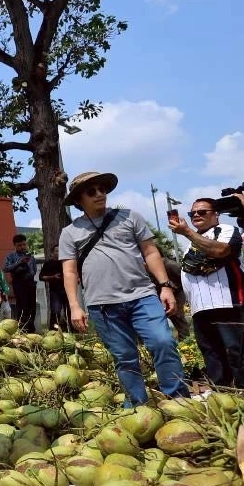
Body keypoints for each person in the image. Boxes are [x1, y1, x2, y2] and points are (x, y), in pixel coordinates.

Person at [58, 171, 189, 406]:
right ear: (79, 200)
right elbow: (69, 272)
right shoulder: (70, 232)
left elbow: (151, 252)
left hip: (143, 296)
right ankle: (137, 407)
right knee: (125, 357)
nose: (99, 194)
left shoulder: (129, 217)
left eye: (102, 189)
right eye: (91, 191)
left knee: (163, 342)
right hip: (102, 305)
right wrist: (75, 306)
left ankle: (178, 400)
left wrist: (165, 286)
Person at [168, 198, 244, 388]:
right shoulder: (192, 241)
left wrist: (187, 231)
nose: (196, 215)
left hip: (227, 302)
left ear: (216, 214)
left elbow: (222, 250)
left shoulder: (226, 230)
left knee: (235, 348)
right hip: (201, 306)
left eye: (202, 212)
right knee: (210, 350)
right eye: (193, 213)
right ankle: (221, 390)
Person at [4, 234, 38, 332]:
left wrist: (30, 274)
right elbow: (6, 268)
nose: (22, 247)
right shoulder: (10, 256)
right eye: (20, 245)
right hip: (19, 284)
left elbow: (34, 269)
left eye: (24, 244)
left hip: (30, 283)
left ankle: (31, 328)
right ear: (15, 245)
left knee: (32, 307)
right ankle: (23, 329)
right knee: (22, 307)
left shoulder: (31, 256)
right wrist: (19, 262)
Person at [39, 256, 70, 331]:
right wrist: (53, 277)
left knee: (70, 311)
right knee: (56, 311)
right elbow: (41, 277)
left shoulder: (66, 261)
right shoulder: (48, 263)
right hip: (55, 291)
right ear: (52, 253)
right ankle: (54, 331)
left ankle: (72, 329)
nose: (58, 253)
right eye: (56, 251)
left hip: (68, 290)